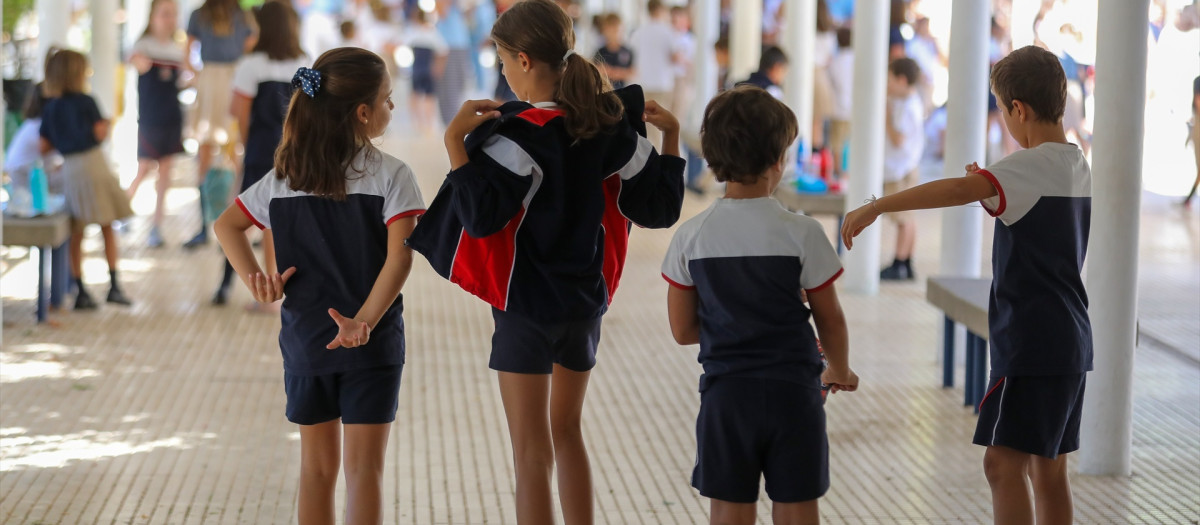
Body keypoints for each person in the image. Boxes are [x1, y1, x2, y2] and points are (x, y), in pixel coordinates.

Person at [406, 2, 685, 523]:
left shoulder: (517, 137)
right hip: (584, 305)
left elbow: (482, 217)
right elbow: (660, 208)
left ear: (526, 59)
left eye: (503, 59)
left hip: (525, 309)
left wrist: (454, 142)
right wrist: (670, 138)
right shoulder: (608, 127)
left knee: (531, 452)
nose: (503, 71)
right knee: (569, 433)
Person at [842, 45, 1092, 525]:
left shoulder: (1026, 168)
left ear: (1018, 110)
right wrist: (992, 180)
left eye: (1001, 111)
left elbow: (958, 191)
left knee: (1001, 465)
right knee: (1048, 470)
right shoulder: (1075, 163)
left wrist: (877, 205)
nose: (1003, 122)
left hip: (1033, 340)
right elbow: (1015, 201)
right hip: (1070, 338)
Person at [214, 48, 424, 525]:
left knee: (316, 471)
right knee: (364, 471)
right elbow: (400, 258)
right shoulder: (394, 176)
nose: (392, 108)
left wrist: (257, 284)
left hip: (307, 341)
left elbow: (226, 226)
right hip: (373, 346)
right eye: (388, 100)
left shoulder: (284, 179)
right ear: (363, 113)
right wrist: (364, 322)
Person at [663, 85, 858, 525]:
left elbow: (682, 330)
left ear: (713, 159)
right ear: (778, 161)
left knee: (730, 511)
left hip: (726, 396)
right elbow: (831, 319)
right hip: (795, 393)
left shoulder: (691, 237)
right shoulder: (803, 232)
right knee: (797, 507)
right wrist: (840, 370)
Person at [212, 0, 309, 307]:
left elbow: (239, 112)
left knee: (241, 217)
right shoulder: (305, 62)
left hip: (261, 149)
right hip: (295, 151)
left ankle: (229, 285)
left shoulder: (250, 64)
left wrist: (244, 146)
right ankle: (280, 287)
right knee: (283, 221)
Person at [39, 48, 136, 309]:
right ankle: (114, 284)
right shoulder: (87, 101)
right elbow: (100, 132)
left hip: (71, 168)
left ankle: (80, 288)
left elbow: (43, 146)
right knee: (107, 225)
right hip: (94, 163)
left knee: (77, 230)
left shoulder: (51, 108)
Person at [184, 0, 256, 249]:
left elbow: (188, 51)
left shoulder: (205, 14)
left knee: (211, 154)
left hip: (214, 79)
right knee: (235, 154)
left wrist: (199, 75)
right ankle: (235, 225)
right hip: (230, 78)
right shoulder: (241, 15)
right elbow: (251, 42)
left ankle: (207, 225)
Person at [126, 0, 187, 248]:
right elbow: (132, 61)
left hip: (172, 118)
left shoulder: (177, 50)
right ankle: (120, 212)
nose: (169, 19)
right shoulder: (142, 47)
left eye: (172, 15)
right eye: (165, 14)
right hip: (150, 120)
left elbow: (182, 81)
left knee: (165, 174)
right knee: (144, 170)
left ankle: (156, 226)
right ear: (153, 17)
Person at [878, 57, 924, 281]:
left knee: (903, 218)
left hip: (901, 169)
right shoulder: (908, 102)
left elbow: (898, 139)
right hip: (904, 167)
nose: (887, 86)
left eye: (890, 81)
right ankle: (906, 261)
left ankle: (899, 262)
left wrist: (885, 118)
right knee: (907, 217)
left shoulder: (908, 108)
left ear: (902, 80)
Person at [629, 0, 679, 143]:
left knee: (645, 122)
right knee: (661, 124)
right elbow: (674, 56)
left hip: (643, 82)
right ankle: (659, 155)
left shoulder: (638, 32)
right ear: (661, 10)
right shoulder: (668, 31)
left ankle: (648, 155)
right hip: (662, 83)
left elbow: (632, 56)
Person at [404, 8, 448, 135]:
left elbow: (404, 44)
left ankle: (419, 123)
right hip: (427, 67)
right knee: (429, 96)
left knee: (416, 95)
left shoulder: (413, 32)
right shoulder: (432, 32)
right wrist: (439, 66)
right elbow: (443, 51)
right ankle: (427, 124)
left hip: (418, 68)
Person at [827, 27, 853, 178]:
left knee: (836, 142)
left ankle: (837, 170)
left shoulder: (835, 62)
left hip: (838, 107)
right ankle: (848, 171)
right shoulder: (857, 59)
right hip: (853, 108)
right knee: (850, 142)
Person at [593, 13, 634, 90]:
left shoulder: (627, 51)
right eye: (611, 30)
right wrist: (620, 72)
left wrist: (611, 72)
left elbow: (632, 72)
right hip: (605, 92)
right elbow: (596, 70)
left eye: (616, 30)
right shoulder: (600, 52)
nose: (614, 34)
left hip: (623, 91)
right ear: (605, 30)